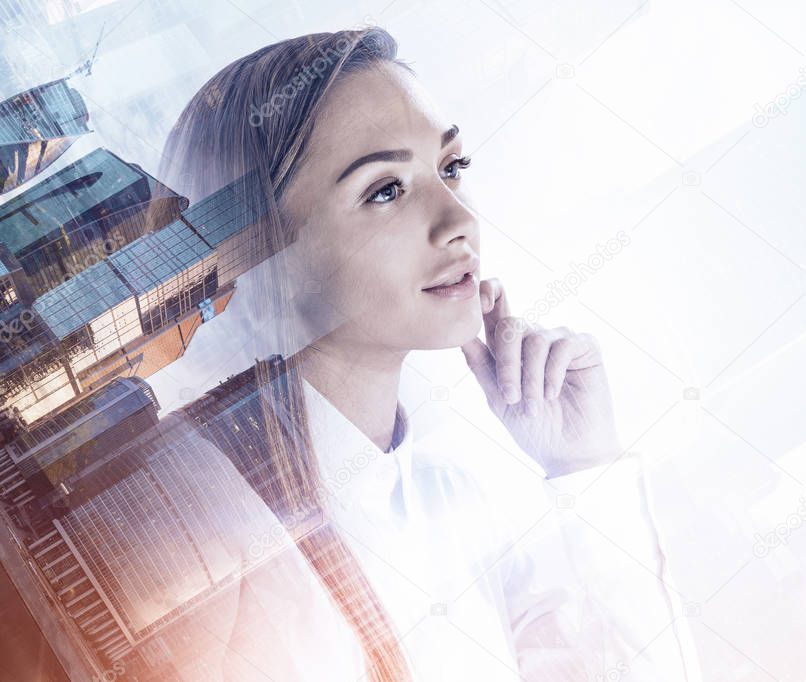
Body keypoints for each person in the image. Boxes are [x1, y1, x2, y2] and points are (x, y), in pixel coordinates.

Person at [155, 26, 700, 681]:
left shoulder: (454, 504)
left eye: (450, 168)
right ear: (262, 253)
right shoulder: (197, 523)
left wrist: (584, 465)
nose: (458, 220)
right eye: (385, 189)